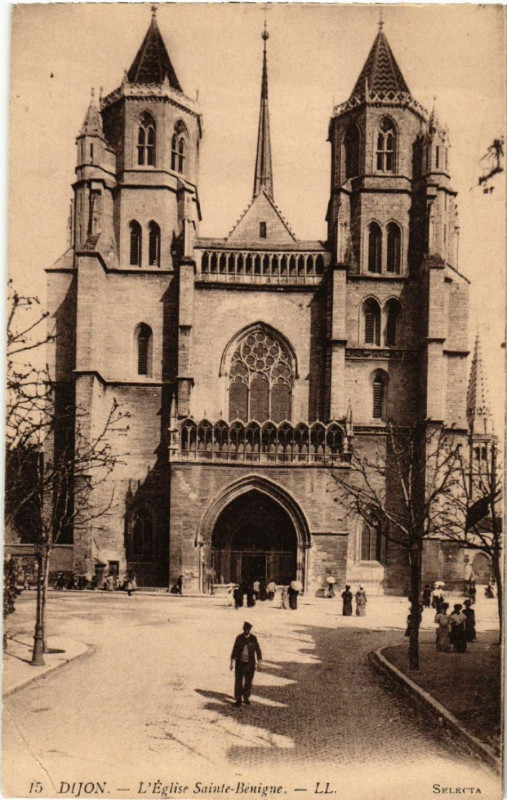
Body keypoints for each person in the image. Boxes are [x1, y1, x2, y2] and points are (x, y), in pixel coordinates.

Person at [230, 622, 262, 707]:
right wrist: (232, 662)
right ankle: (238, 699)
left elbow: (258, 650)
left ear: (249, 630)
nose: (246, 631)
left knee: (248, 682)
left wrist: (259, 662)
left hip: (250, 664)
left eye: (247, 630)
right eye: (245, 630)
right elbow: (235, 650)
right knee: (238, 682)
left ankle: (246, 697)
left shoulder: (253, 639)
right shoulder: (239, 638)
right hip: (240, 663)